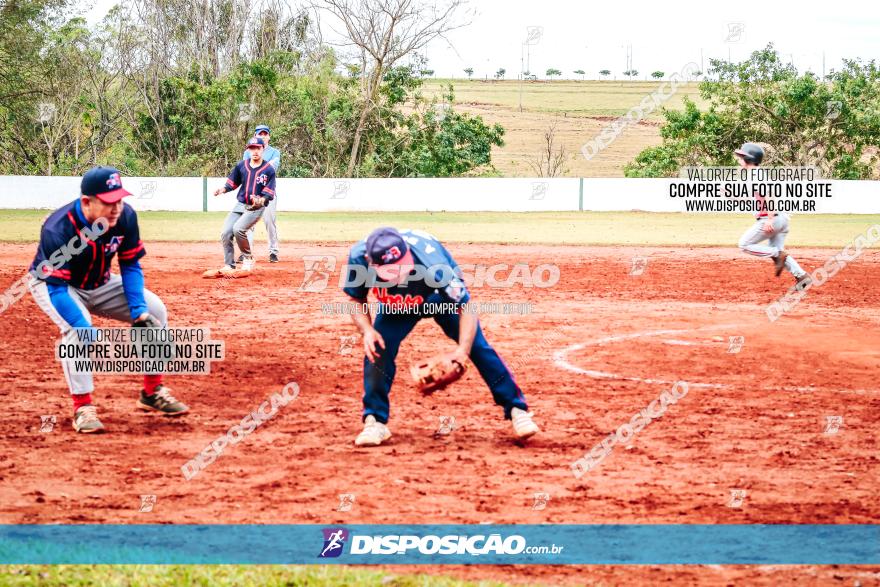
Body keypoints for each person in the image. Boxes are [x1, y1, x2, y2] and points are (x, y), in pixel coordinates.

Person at [342, 227, 539, 447]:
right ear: (372, 263)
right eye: (392, 271)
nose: (401, 274)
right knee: (377, 349)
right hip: (396, 305)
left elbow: (466, 308)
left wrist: (462, 352)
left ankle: (516, 409)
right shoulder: (359, 257)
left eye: (403, 266)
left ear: (407, 251)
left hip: (438, 297)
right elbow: (356, 300)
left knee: (477, 346)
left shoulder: (433, 263)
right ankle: (375, 421)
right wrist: (368, 331)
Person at [28, 166, 189, 434]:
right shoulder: (58, 228)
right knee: (77, 331)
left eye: (119, 199)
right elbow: (57, 289)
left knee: (155, 311)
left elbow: (130, 265)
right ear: (86, 202)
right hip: (56, 285)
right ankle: (83, 407)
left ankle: (152, 392)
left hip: (99, 281)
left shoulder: (125, 216)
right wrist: (84, 327)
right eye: (108, 201)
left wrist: (138, 311)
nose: (116, 208)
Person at [735, 142, 812, 288]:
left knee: (744, 244)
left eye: (742, 156)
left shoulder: (756, 176)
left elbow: (769, 196)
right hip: (781, 219)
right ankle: (802, 278)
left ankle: (777, 254)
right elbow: (752, 198)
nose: (739, 159)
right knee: (780, 255)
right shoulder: (756, 175)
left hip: (771, 218)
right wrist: (731, 195)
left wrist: (769, 219)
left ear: (749, 159)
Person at [210, 137, 277, 275]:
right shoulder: (242, 165)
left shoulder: (268, 170)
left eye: (258, 148)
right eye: (252, 148)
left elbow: (269, 194)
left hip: (255, 208)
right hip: (240, 204)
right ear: (248, 150)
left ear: (262, 149)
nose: (255, 151)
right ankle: (229, 265)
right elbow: (232, 183)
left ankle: (248, 258)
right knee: (226, 232)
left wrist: (261, 200)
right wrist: (222, 189)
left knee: (238, 229)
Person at [243, 124, 282, 263]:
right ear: (255, 136)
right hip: (252, 192)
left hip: (268, 193)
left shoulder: (275, 152)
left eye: (265, 134)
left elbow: (271, 169)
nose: (263, 136)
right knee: (248, 224)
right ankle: (246, 253)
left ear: (269, 137)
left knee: (269, 222)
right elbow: (246, 169)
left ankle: (273, 252)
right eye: (260, 134)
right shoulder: (248, 152)